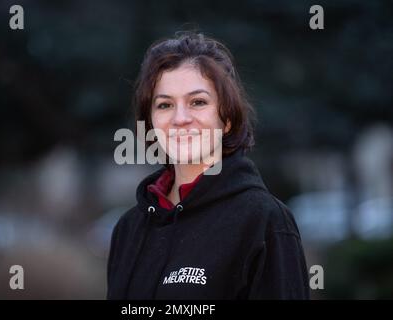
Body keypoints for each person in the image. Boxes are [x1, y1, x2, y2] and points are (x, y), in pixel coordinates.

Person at [107, 31, 310, 299]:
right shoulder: (128, 229)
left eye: (198, 102)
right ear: (151, 123)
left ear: (226, 119)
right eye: (165, 105)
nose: (180, 118)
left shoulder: (264, 221)